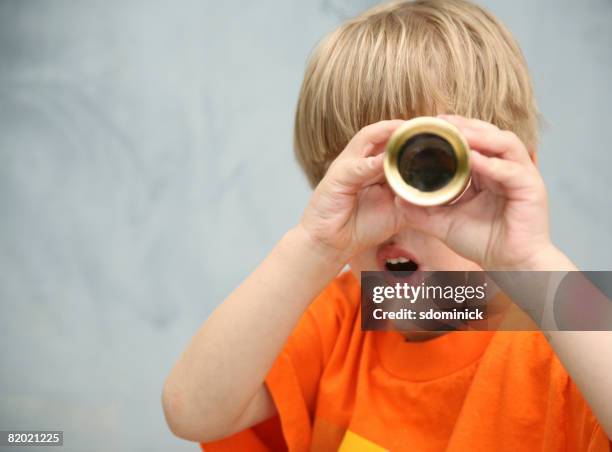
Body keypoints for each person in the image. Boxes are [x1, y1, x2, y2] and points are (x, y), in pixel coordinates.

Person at [162, 1, 612, 450]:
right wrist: (315, 245)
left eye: (430, 168)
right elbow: (191, 411)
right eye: (363, 177)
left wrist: (531, 261)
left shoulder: (567, 343)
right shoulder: (339, 322)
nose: (398, 209)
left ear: (511, 174)